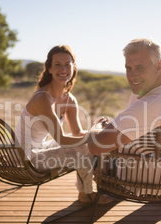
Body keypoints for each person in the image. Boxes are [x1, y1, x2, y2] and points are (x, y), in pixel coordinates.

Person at [15, 45, 111, 204]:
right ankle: (86, 193)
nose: (63, 69)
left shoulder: (69, 99)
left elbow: (77, 132)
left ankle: (88, 191)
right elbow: (62, 140)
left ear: (74, 67)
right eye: (57, 64)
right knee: (82, 147)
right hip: (25, 156)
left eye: (67, 64)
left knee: (86, 145)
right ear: (49, 69)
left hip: (40, 147)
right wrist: (94, 135)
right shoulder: (42, 98)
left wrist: (100, 131)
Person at [88, 37, 161, 157]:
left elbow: (96, 147)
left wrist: (96, 127)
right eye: (128, 68)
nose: (132, 76)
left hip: (139, 174)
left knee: (83, 151)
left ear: (158, 67)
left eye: (140, 68)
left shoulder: (150, 105)